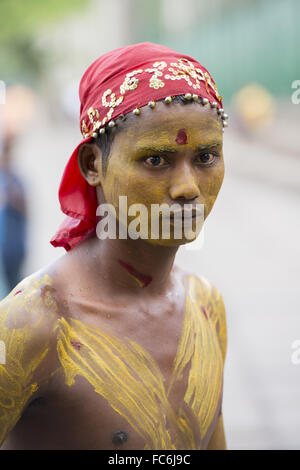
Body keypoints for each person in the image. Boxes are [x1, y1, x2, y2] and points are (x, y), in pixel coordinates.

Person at [0, 42, 228, 450]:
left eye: (206, 157)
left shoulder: (205, 307)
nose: (188, 188)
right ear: (92, 165)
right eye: (156, 160)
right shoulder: (31, 326)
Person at [0, 136, 27, 296]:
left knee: (14, 288)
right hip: (3, 247)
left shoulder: (15, 180)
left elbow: (24, 206)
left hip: (14, 248)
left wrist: (10, 196)